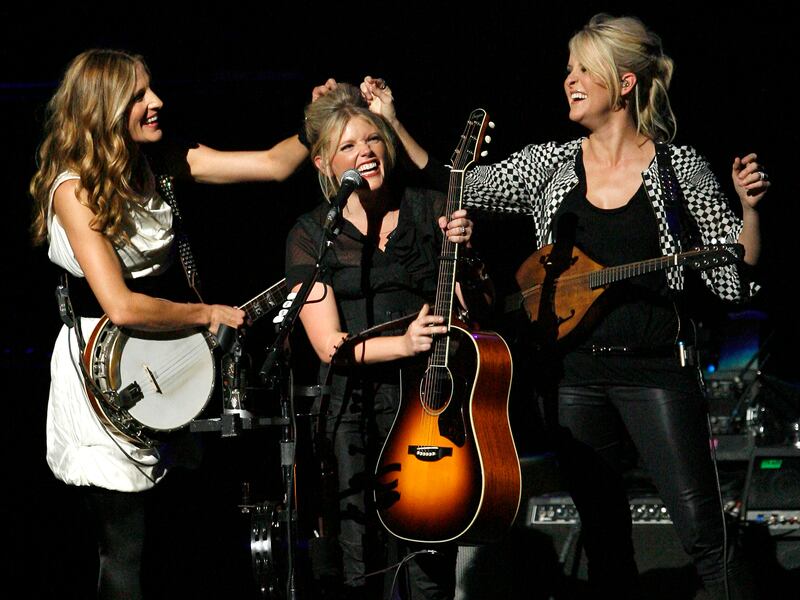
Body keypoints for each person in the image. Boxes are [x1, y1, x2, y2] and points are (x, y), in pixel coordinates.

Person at [368, 14, 769, 600]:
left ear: (624, 83)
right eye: (568, 70)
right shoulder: (549, 166)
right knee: (604, 536)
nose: (570, 80)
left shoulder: (679, 169)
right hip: (574, 377)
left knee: (705, 534)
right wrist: (391, 120)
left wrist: (749, 209)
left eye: (584, 69)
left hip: (658, 370)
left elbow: (736, 273)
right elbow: (455, 181)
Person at [29, 49, 317, 599]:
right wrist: (207, 315)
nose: (156, 102)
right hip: (103, 372)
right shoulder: (74, 189)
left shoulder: (160, 165)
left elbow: (274, 165)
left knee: (178, 535)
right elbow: (120, 305)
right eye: (138, 95)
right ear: (104, 107)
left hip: (167, 359)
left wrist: (317, 121)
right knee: (125, 546)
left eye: (152, 89)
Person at [285, 81, 478, 599]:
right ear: (326, 164)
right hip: (352, 411)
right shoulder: (312, 234)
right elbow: (329, 344)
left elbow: (469, 309)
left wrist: (462, 258)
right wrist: (403, 344)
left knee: (427, 553)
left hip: (427, 407)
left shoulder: (430, 208)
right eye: (347, 146)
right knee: (361, 558)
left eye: (372, 140)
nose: (364, 153)